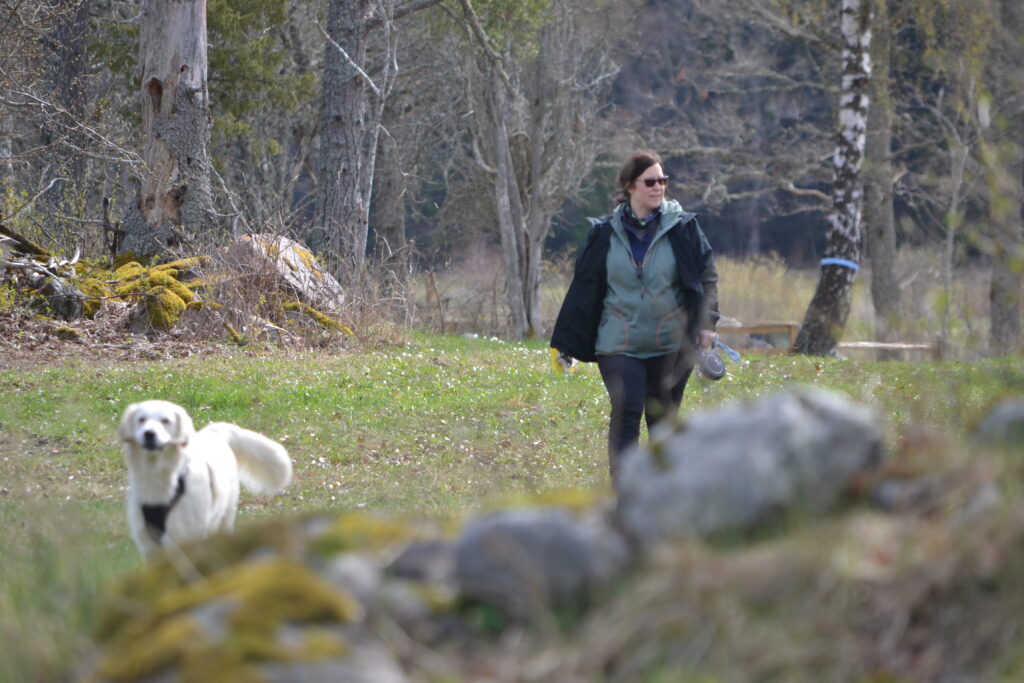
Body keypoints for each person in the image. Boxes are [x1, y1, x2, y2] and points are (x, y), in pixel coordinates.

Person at [550, 150, 719, 484]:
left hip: (671, 341)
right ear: (629, 186)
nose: (659, 187)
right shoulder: (603, 234)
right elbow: (584, 289)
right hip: (618, 340)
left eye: (663, 180)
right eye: (651, 181)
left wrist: (706, 324)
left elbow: (706, 276)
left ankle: (662, 495)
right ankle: (625, 495)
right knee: (626, 413)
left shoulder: (683, 227)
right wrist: (567, 341)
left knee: (663, 421)